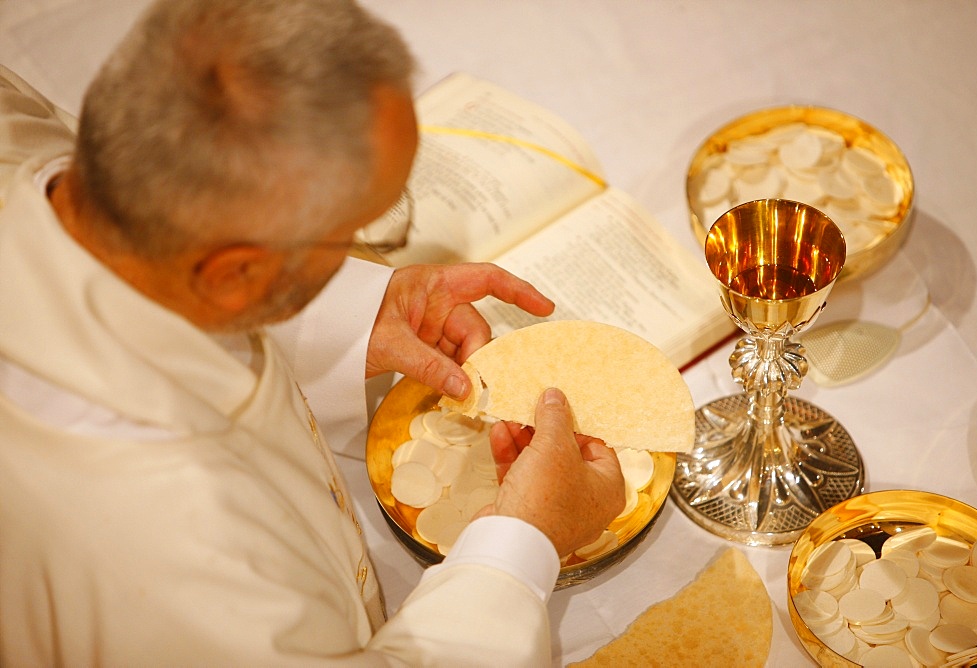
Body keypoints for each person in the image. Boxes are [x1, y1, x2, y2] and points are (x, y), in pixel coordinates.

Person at [0, 0, 626, 664]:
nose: (365, 247)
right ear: (236, 273)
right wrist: (524, 542)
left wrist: (347, 314)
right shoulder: (185, 552)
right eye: (359, 229)